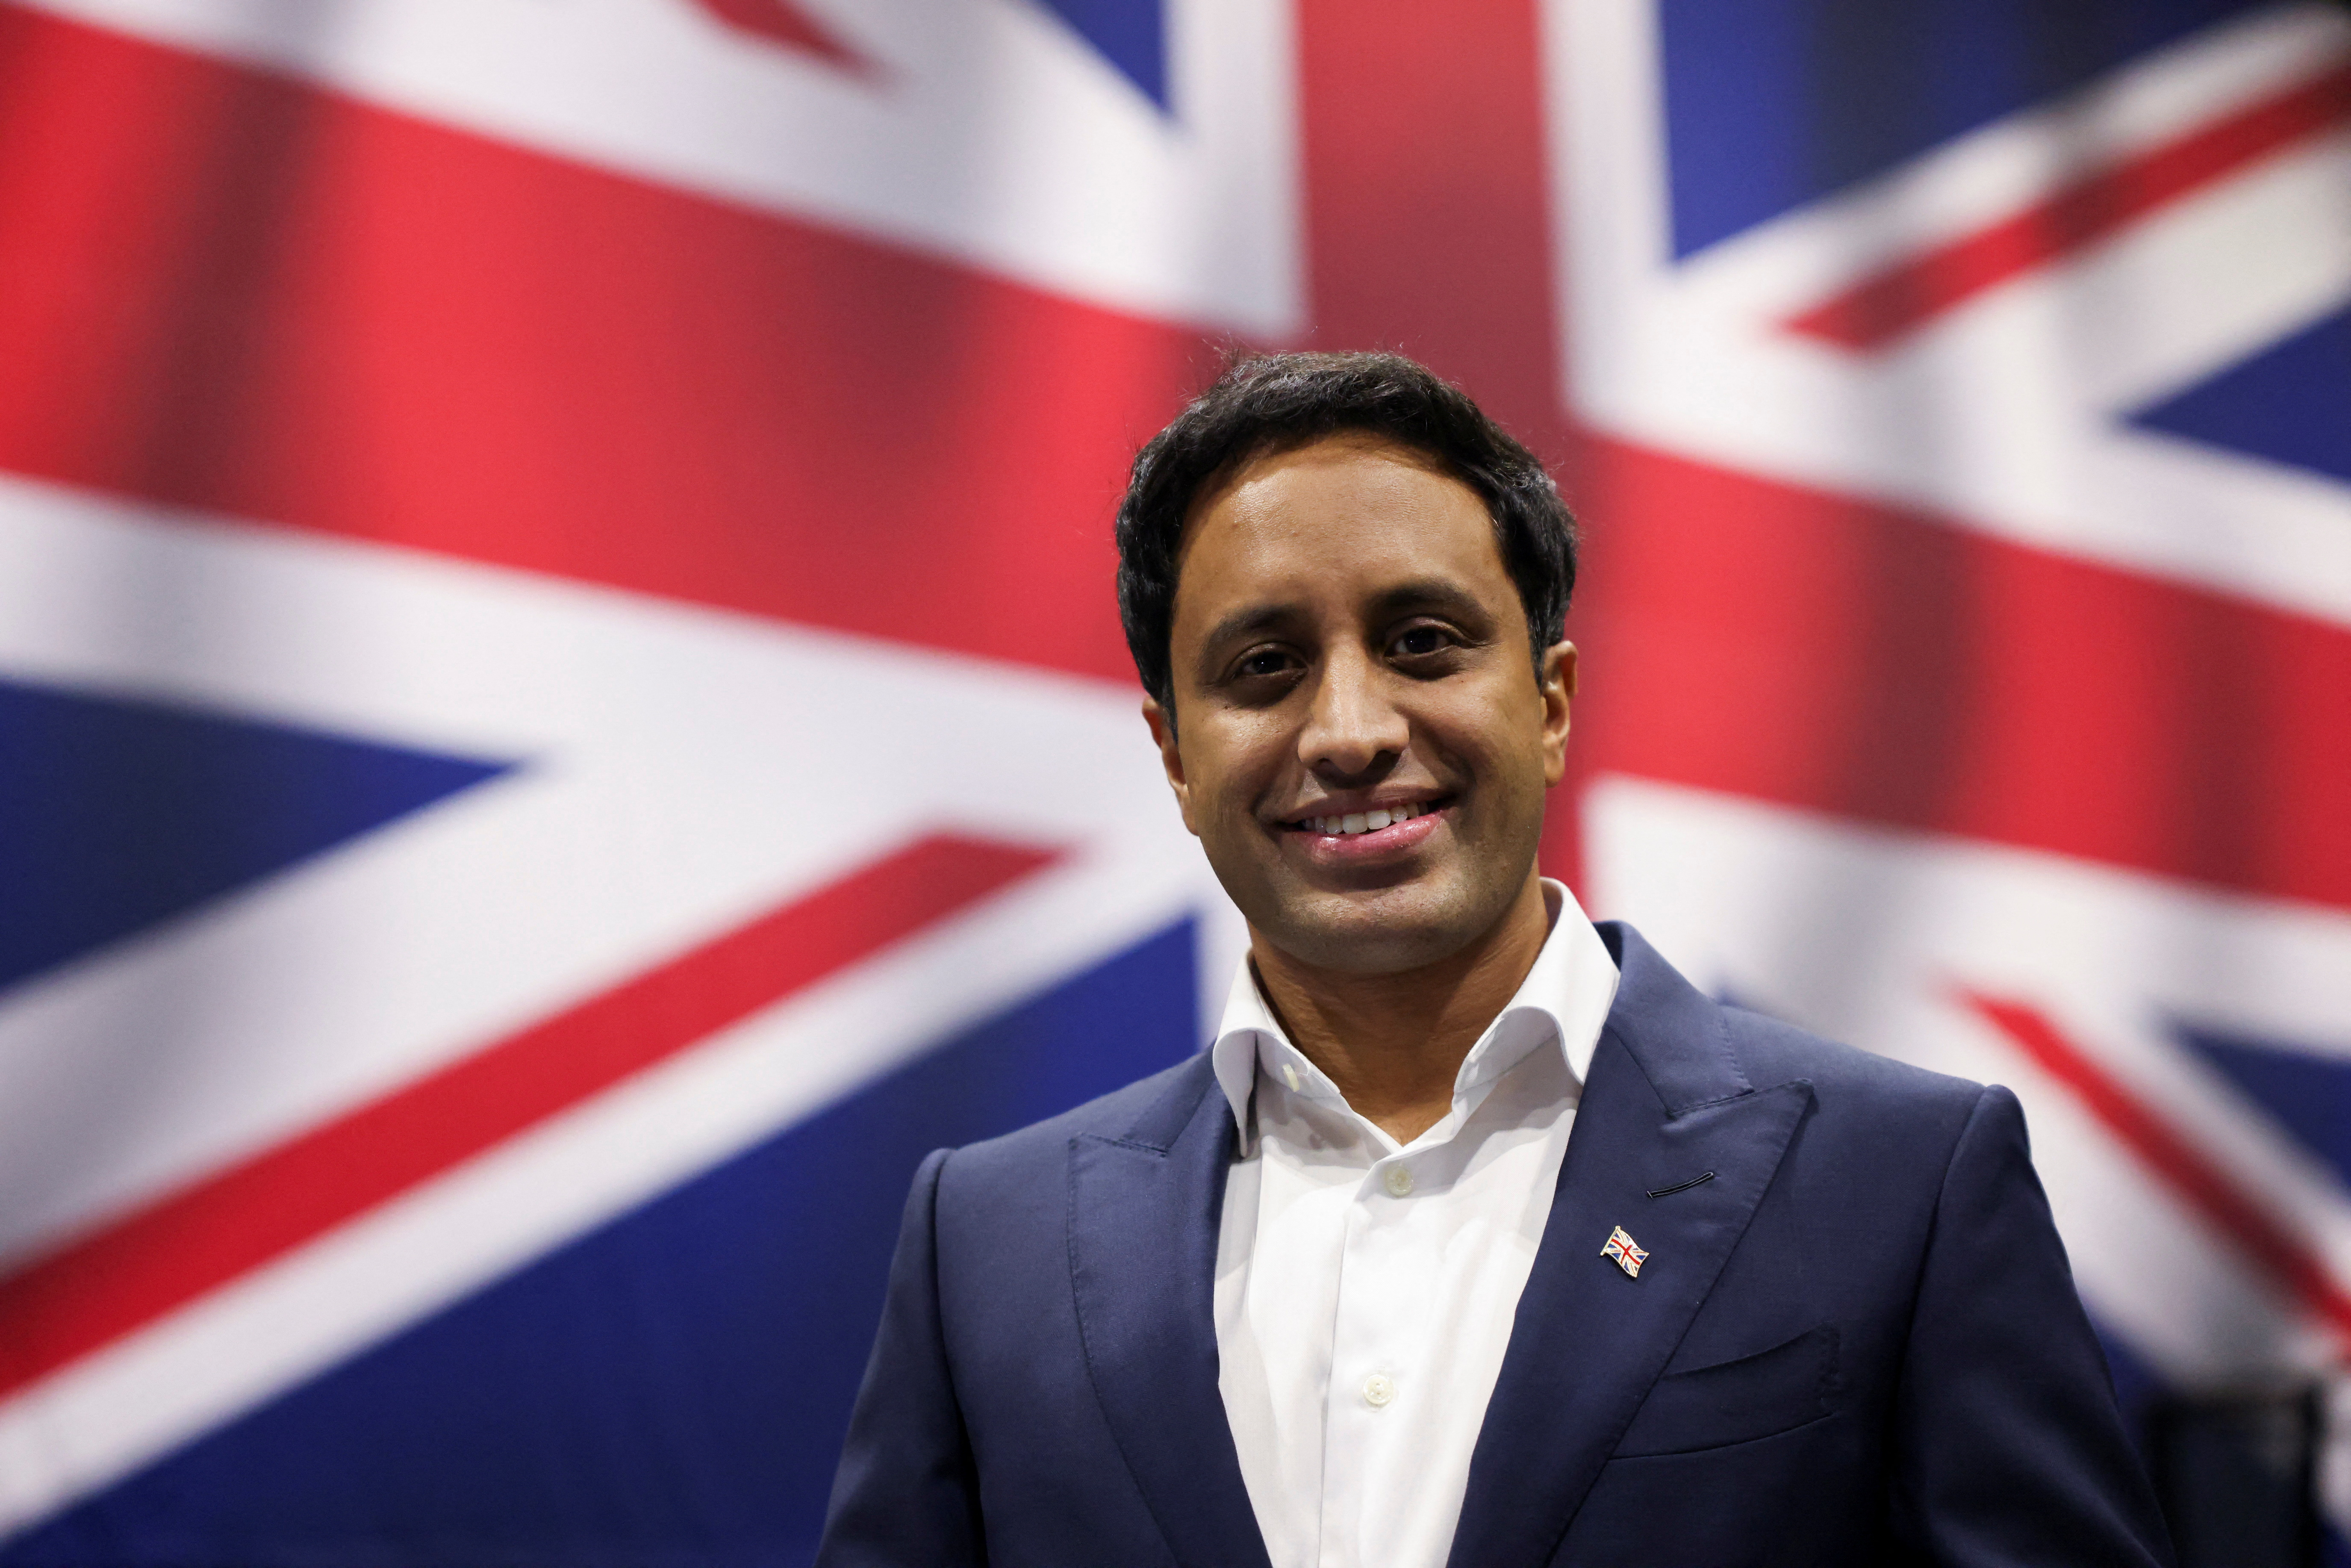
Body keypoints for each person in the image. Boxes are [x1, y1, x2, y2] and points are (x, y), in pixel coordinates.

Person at [815, 351, 2173, 1567]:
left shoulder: (1902, 1185)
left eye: (1421, 643)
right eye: (1265, 664)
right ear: (1175, 755)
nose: (1346, 728)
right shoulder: (981, 1244)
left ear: (1550, 704)